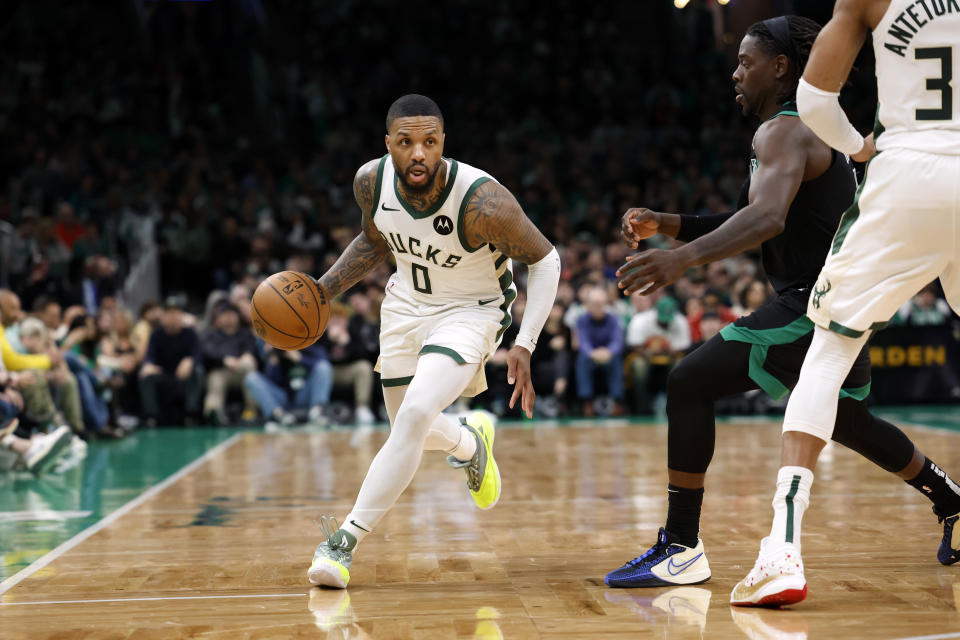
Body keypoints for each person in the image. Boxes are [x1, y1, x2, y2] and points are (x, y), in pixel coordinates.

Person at [604, 16, 960, 605]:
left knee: (689, 381)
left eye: (746, 62)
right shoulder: (802, 132)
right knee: (846, 421)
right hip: (845, 294)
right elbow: (770, 214)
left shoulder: (785, 132)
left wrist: (681, 259)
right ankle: (950, 498)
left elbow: (766, 219)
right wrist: (674, 225)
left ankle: (681, 547)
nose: (735, 74)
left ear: (781, 68)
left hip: (809, 301)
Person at [734, 0, 960, 607]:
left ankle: (781, 552)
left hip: (908, 168)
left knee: (829, 353)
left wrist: (859, 147)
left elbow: (814, 100)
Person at [307, 94, 560, 589]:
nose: (418, 153)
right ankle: (470, 443)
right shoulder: (370, 182)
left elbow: (545, 259)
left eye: (429, 141)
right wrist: (323, 291)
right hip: (405, 306)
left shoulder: (482, 200)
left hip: (471, 311)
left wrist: (525, 342)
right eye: (406, 143)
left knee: (417, 414)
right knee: (407, 424)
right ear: (389, 145)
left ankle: (342, 543)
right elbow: (377, 239)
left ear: (443, 142)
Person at [139, 297, 203, 426]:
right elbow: (150, 356)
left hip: (184, 375)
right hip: (165, 374)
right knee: (145, 375)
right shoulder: (157, 334)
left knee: (198, 371)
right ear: (163, 316)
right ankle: (151, 416)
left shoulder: (190, 333)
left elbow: (198, 355)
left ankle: (191, 414)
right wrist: (149, 365)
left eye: (176, 312)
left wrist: (190, 361)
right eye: (169, 313)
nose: (172, 316)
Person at [626, 296, 691, 414]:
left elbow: (683, 347)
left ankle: (676, 406)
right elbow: (634, 345)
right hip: (646, 357)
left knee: (681, 365)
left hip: (671, 358)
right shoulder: (641, 320)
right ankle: (642, 407)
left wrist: (667, 350)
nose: (665, 322)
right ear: (655, 311)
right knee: (638, 366)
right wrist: (648, 351)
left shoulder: (681, 321)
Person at [200, 302, 259, 425]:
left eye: (232, 314)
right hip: (220, 370)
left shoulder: (245, 334)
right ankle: (213, 412)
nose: (229, 317)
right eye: (225, 314)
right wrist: (224, 360)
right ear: (218, 319)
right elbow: (207, 353)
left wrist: (244, 358)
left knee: (250, 367)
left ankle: (251, 411)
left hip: (241, 370)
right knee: (215, 381)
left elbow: (251, 350)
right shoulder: (210, 334)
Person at [574, 286, 625, 416]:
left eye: (602, 304)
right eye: (595, 304)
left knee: (616, 359)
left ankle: (617, 402)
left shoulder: (613, 319)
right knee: (582, 359)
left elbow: (617, 341)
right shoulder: (582, 320)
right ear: (588, 305)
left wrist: (609, 352)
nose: (599, 307)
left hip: (608, 356)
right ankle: (587, 402)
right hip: (591, 357)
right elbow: (583, 342)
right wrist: (593, 353)